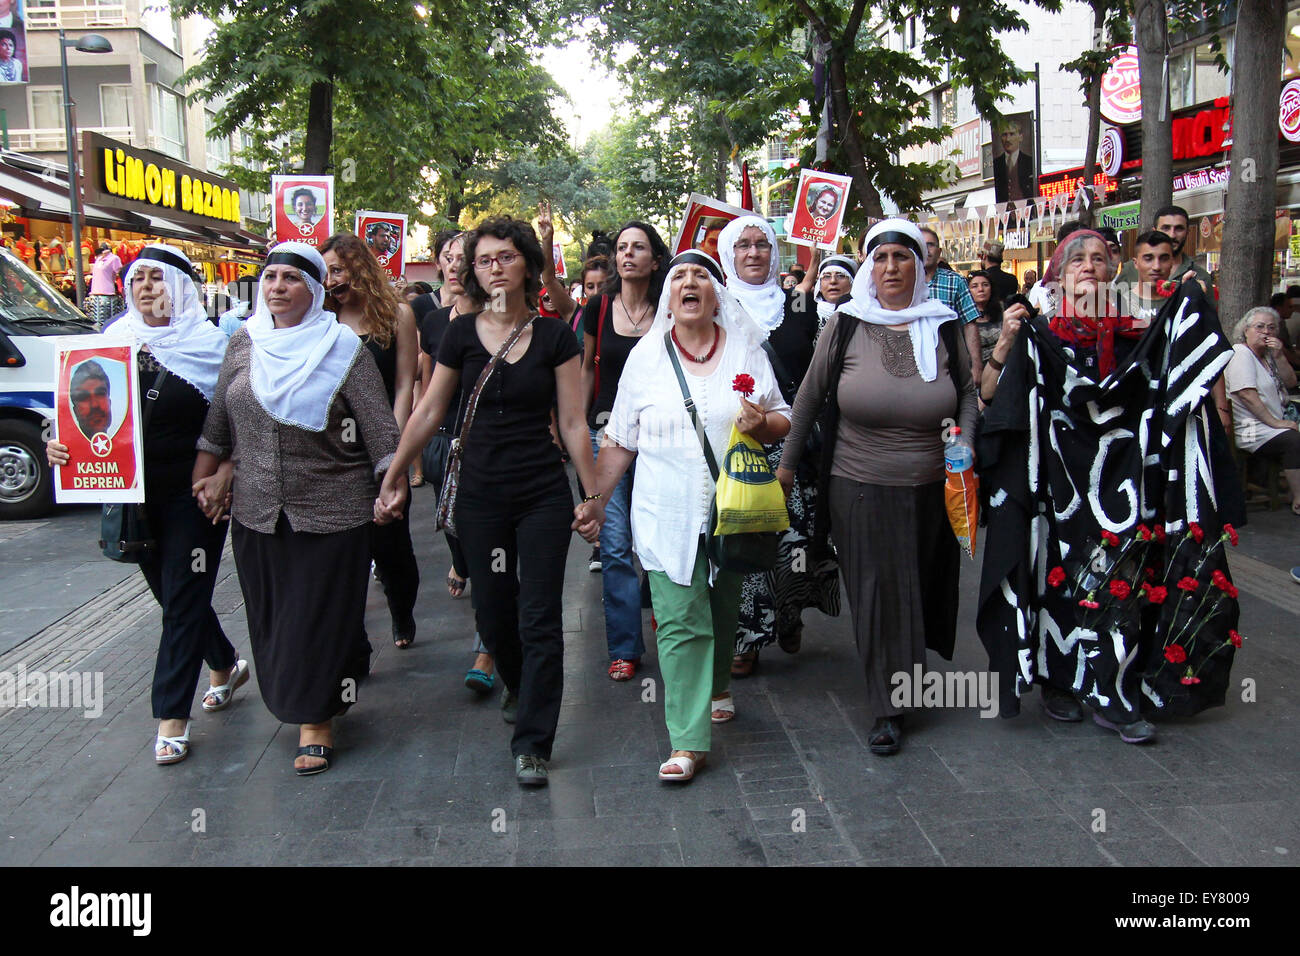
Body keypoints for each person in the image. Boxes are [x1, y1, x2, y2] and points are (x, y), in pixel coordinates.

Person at [976, 229, 1240, 744]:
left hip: (1124, 489)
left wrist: (1187, 304)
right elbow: (991, 397)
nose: (1090, 268)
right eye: (1078, 261)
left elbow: (1181, 384)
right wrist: (1008, 341)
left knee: (1121, 587)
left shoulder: (1139, 335)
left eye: (1100, 259)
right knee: (1056, 580)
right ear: (1059, 273)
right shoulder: (1040, 335)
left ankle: (1114, 695)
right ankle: (1058, 683)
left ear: (1114, 270)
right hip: (1057, 489)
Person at [377, 217, 598, 787]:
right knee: (494, 611)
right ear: (473, 271)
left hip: (541, 493)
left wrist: (592, 493)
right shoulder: (457, 333)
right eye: (484, 259)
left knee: (541, 615)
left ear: (527, 262)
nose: (494, 267)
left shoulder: (555, 337)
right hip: (478, 493)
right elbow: (428, 411)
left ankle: (533, 740)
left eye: (505, 256)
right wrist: (395, 472)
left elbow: (573, 422)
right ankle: (519, 684)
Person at [574, 251, 791, 782]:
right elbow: (621, 440)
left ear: (718, 294)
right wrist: (596, 503)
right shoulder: (645, 360)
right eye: (680, 278)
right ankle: (688, 741)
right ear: (668, 298)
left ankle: (718, 686)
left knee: (721, 611)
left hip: (731, 512)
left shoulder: (745, 350)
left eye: (701, 276)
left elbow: (784, 418)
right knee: (678, 620)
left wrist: (762, 422)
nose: (690, 283)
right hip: (662, 513)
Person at [194, 242, 402, 776]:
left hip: (334, 510)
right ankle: (314, 688)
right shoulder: (243, 343)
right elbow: (219, 422)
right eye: (270, 278)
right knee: (273, 619)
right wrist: (207, 473)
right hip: (258, 513)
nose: (278, 286)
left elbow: (381, 432)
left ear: (312, 290)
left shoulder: (341, 349)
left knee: (317, 618)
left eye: (291, 278)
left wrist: (392, 482)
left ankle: (317, 721)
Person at [776, 219, 977, 756]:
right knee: (877, 592)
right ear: (870, 266)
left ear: (920, 265)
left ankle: (907, 681)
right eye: (881, 258)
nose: (891, 267)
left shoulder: (944, 325)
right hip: (858, 484)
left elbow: (966, 396)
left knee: (917, 586)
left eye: (903, 257)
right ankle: (887, 707)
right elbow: (810, 400)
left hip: (932, 486)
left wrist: (966, 443)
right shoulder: (845, 324)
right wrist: (787, 467)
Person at [47, 244, 244, 766]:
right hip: (132, 495)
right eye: (137, 279)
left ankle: (171, 718)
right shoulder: (111, 343)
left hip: (195, 491)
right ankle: (223, 661)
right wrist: (60, 446)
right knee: (170, 593)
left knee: (182, 597)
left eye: (158, 279)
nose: (146, 288)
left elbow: (239, 419)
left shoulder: (215, 347)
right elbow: (80, 416)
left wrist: (227, 471)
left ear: (181, 287)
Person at [718, 215, 838, 677]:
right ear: (729, 254)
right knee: (746, 538)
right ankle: (745, 639)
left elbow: (821, 373)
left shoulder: (803, 305)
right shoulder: (717, 305)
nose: (753, 254)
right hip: (740, 445)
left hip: (794, 445)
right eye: (743, 245)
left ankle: (788, 616)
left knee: (794, 544)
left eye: (762, 245)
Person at [321, 232, 421, 648]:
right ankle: (353, 641)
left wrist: (391, 452)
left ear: (360, 268)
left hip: (381, 445)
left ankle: (402, 611)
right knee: (343, 554)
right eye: (324, 272)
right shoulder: (320, 320)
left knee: (390, 543)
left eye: (338, 270)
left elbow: (403, 386)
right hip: (331, 453)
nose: (330, 281)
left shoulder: (397, 315)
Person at [579, 221, 668, 678]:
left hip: (660, 439)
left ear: (655, 259)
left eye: (638, 247)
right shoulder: (597, 307)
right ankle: (625, 647)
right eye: (621, 248)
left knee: (659, 538)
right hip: (607, 435)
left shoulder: (670, 307)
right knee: (614, 546)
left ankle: (668, 623)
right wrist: (574, 426)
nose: (628, 254)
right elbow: (585, 371)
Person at [1225, 306, 1300, 514]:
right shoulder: (1241, 353)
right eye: (1259, 327)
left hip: (1272, 422)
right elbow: (1247, 394)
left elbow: (1291, 381)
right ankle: (1298, 498)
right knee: (1293, 440)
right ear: (1246, 330)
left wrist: (1279, 356)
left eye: (1271, 328)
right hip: (1251, 428)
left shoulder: (1267, 356)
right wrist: (1276, 423)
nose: (1266, 332)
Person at [919, 226, 984, 385]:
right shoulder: (904, 282)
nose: (927, 250)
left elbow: (970, 325)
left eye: (931, 245)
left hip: (949, 362)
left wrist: (976, 366)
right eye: (922, 244)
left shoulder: (955, 281)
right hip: (912, 362)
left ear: (939, 251)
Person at [992, 117, 1034, 204]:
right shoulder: (996, 163)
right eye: (1004, 135)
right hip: (1004, 214)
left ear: (1020, 137)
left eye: (1012, 134)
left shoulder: (1029, 162)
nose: (1008, 139)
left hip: (1026, 213)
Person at [967, 269, 1004, 365]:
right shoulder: (963, 317)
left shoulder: (1002, 309)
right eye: (975, 286)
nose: (980, 289)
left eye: (985, 285)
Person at [814, 254, 856, 337]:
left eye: (840, 276)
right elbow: (798, 293)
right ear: (819, 286)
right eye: (827, 276)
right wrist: (814, 260)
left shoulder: (862, 315)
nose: (833, 281)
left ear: (852, 283)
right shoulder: (808, 312)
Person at [68, 361, 112, 439]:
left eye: (100, 394)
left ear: (109, 402)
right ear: (75, 411)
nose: (94, 404)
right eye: (84, 397)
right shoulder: (65, 449)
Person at [87, 242, 125, 329]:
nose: (103, 252)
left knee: (107, 321)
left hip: (107, 292)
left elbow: (119, 273)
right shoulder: (99, 259)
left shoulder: (114, 259)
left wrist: (120, 287)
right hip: (95, 293)